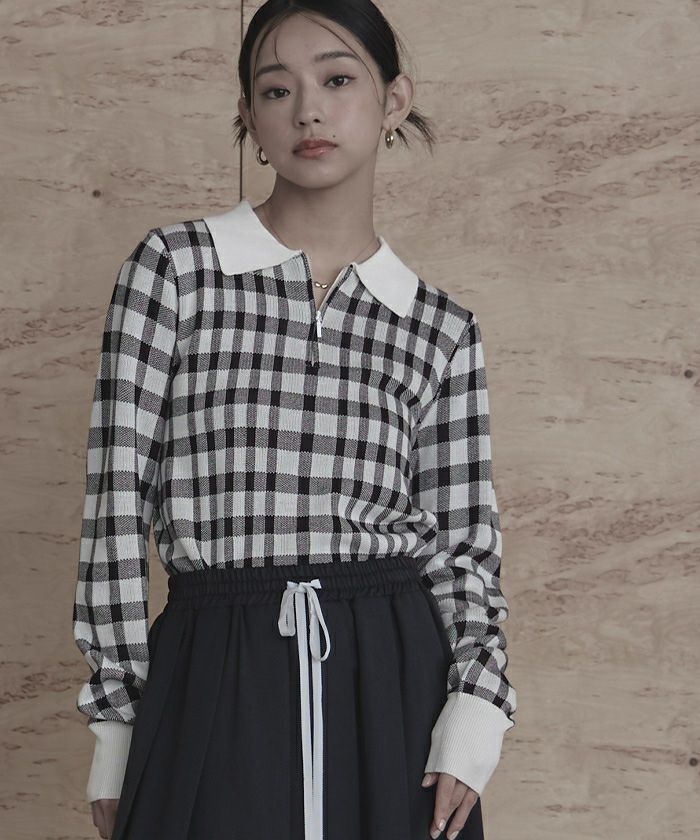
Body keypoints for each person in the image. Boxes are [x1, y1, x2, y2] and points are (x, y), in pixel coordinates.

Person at [72, 2, 517, 838]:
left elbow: (463, 546)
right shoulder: (176, 271)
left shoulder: (438, 327)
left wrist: (474, 711)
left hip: (392, 676)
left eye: (338, 80)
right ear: (249, 116)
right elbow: (115, 503)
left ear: (393, 101)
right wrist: (117, 723)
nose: (309, 110)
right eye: (277, 90)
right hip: (214, 660)